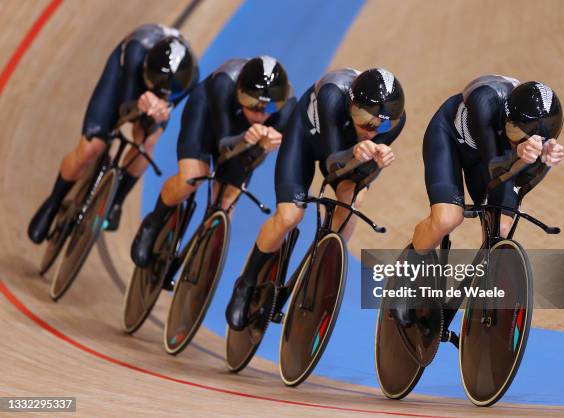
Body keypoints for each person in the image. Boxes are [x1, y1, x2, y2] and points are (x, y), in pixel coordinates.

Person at [225, 67, 407, 330]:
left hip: (346, 155)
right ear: (351, 104)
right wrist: (357, 153)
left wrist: (376, 164)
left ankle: (321, 267)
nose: (371, 130)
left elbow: (360, 179)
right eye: (363, 119)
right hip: (307, 140)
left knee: (352, 201)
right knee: (290, 216)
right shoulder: (332, 96)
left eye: (381, 125)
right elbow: (333, 165)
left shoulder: (396, 121)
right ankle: (247, 282)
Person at [393, 75, 564, 326]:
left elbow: (521, 185)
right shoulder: (485, 100)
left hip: (495, 158)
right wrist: (518, 153)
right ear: (505, 114)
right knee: (447, 219)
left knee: (501, 230)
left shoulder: (542, 131)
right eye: (512, 130)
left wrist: (543, 163)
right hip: (450, 139)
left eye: (522, 136)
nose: (514, 137)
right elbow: (495, 166)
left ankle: (483, 307)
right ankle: (403, 283)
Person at [27, 24, 198, 243]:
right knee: (90, 148)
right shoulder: (136, 54)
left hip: (161, 88)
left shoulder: (189, 79)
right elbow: (124, 110)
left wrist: (158, 113)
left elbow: (161, 115)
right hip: (123, 76)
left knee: (147, 142)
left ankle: (116, 200)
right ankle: (53, 202)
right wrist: (139, 103)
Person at [130, 56, 297, 268]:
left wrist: (262, 147)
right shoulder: (224, 84)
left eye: (268, 109)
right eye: (251, 105)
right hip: (208, 120)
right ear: (239, 93)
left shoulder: (288, 107)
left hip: (243, 140)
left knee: (227, 204)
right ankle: (153, 223)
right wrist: (249, 138)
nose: (259, 114)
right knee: (190, 179)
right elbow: (223, 144)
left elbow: (249, 161)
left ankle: (204, 267)